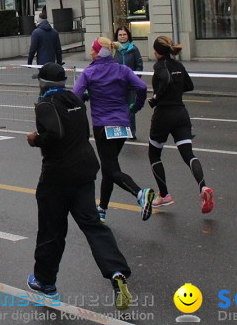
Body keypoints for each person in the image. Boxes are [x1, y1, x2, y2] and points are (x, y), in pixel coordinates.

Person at [26, 63, 135, 310]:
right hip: (85, 170)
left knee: (51, 231)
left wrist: (35, 140)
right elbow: (79, 131)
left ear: (42, 83)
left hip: (57, 176)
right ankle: (116, 271)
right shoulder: (75, 100)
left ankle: (45, 283)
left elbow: (54, 133)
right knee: (93, 225)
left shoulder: (45, 105)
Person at [73, 37, 154, 222]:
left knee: (111, 169)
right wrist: (135, 107)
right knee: (110, 166)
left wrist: (85, 96)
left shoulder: (89, 72)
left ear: (98, 52)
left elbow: (74, 96)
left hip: (103, 125)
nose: (91, 53)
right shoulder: (122, 69)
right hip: (123, 125)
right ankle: (102, 208)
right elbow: (141, 86)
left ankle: (141, 193)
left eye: (93, 50)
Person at [146, 36, 213, 214]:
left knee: (154, 154)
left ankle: (165, 195)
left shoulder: (160, 66)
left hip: (163, 115)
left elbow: (166, 80)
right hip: (180, 113)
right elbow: (189, 85)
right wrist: (175, 90)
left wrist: (156, 98)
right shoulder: (178, 66)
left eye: (154, 50)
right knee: (188, 154)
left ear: (158, 52)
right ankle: (203, 188)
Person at [114, 25, 143, 135]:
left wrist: (135, 80)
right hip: (117, 85)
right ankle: (121, 132)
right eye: (120, 35)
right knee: (118, 109)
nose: (122, 37)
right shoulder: (113, 49)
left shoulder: (134, 49)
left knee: (130, 109)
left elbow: (139, 66)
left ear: (128, 35)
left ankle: (131, 132)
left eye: (124, 34)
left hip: (130, 86)